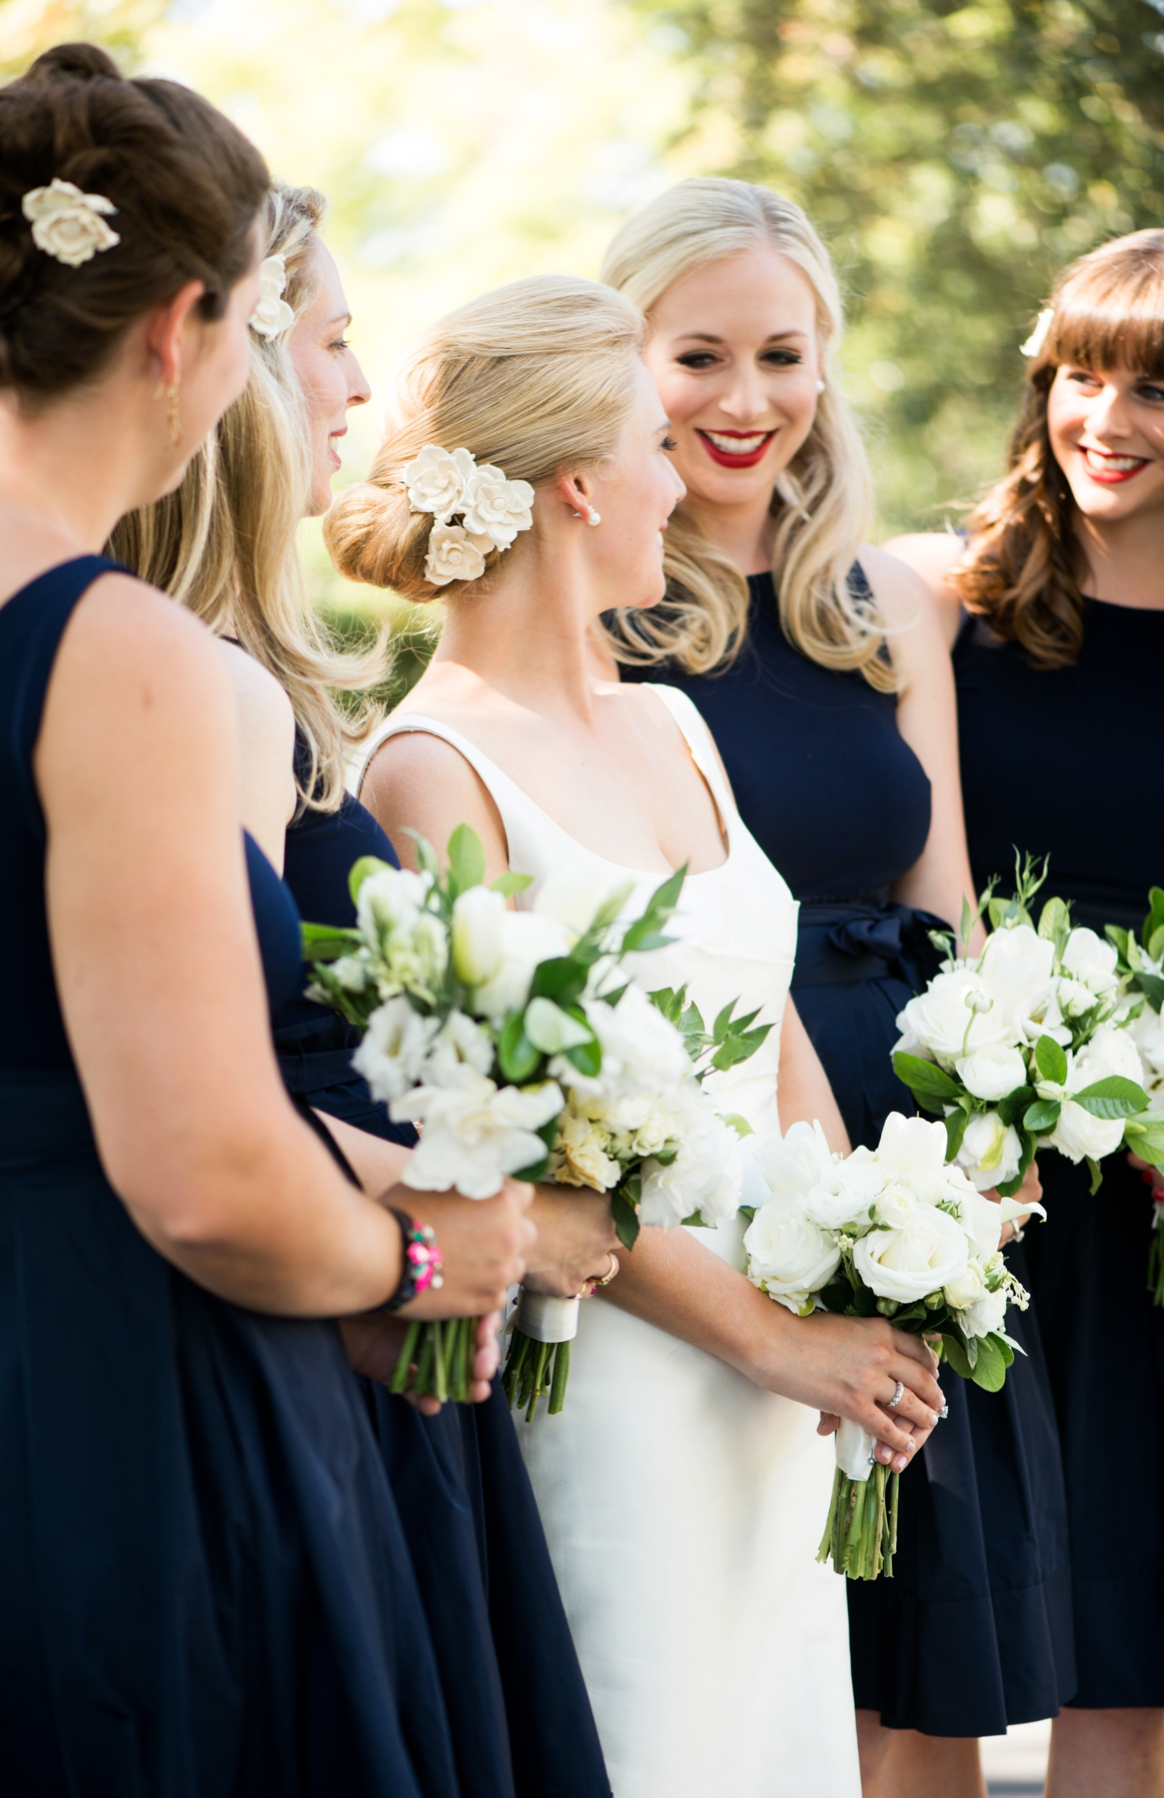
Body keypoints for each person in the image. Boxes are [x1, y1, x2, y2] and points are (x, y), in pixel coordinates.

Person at [0, 44, 533, 1795]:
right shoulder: (107, 645)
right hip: (81, 1401)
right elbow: (198, 1171)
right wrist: (434, 1260)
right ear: (180, 327)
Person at [323, 271, 948, 1798]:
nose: (685, 475)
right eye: (653, 444)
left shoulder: (679, 722)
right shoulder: (429, 769)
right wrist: (769, 1334)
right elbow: (529, 1139)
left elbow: (767, 1010)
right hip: (615, 1380)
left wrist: (871, 1238)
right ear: (579, 485)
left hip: (773, 1402)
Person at [112, 179, 614, 1798]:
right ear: (232, 363)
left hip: (394, 1349)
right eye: (330, 343)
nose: (354, 391)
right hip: (296, 1339)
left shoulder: (272, 683)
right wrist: (421, 1213)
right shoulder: (168, 695)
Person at [596, 177, 1070, 1798]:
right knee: (766, 1637)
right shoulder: (601, 616)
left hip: (914, 1164)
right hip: (724, 1149)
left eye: (783, 355)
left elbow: (947, 907)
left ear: (828, 366)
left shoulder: (891, 603)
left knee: (923, 1678)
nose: (747, 402)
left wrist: (986, 1156)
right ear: (625, 366)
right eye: (698, 357)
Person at [888, 228, 1164, 1798]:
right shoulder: (945, 598)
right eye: (1080, 373)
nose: (1105, 419)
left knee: (1135, 1654)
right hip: (978, 1169)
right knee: (946, 1645)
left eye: (1154, 387)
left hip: (1159, 1197)